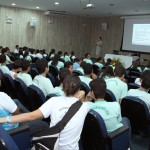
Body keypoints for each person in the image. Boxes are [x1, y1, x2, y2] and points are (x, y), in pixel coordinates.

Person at [0, 74, 90, 150]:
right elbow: (85, 97)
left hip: (52, 146)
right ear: (78, 89)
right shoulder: (85, 106)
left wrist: (4, 119)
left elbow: (30, 116)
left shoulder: (53, 100)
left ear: (62, 85)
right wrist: (81, 92)